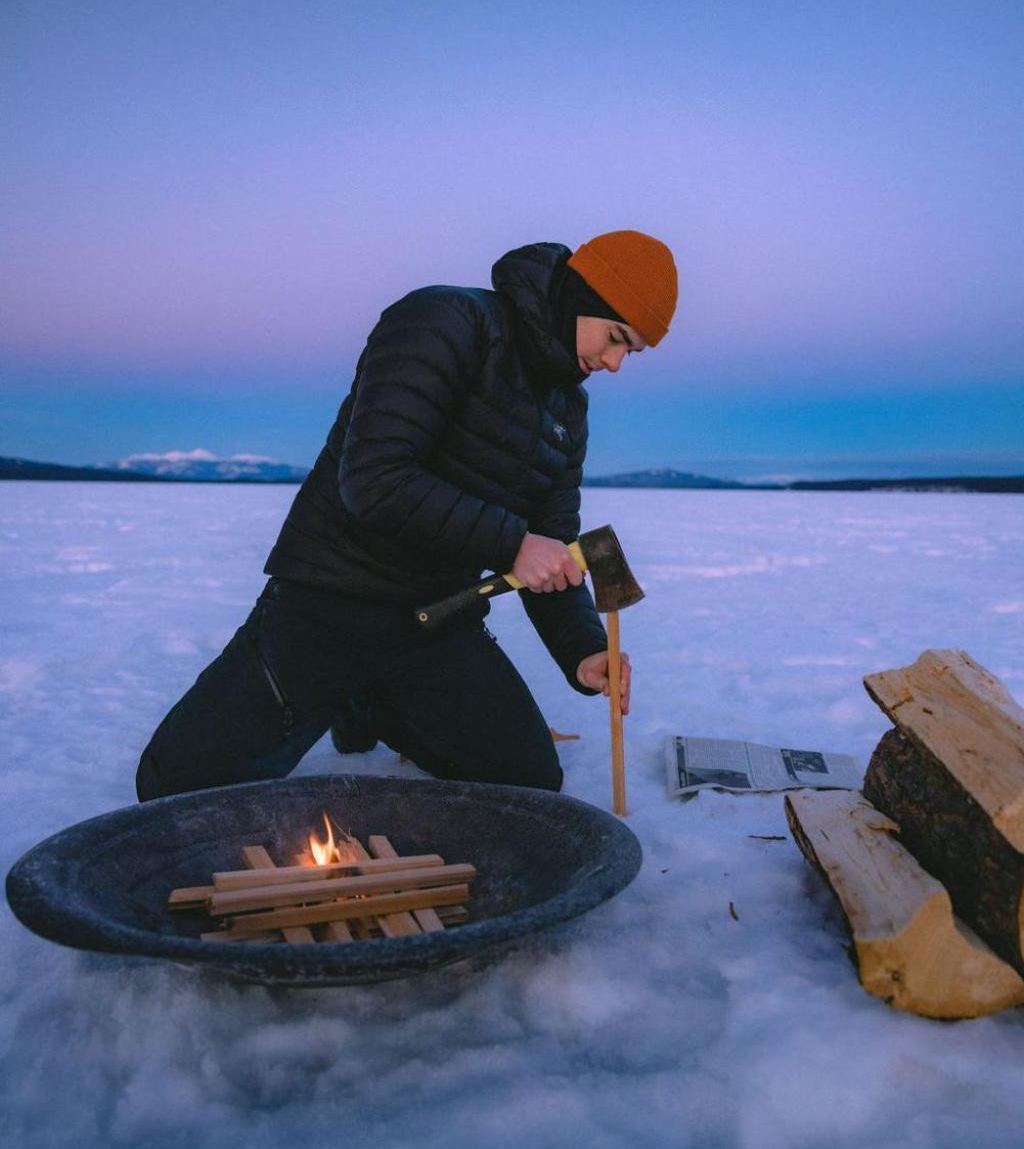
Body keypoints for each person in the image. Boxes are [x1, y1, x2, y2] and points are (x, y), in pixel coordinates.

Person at [135, 230, 678, 802]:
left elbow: (554, 545)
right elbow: (375, 478)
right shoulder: (445, 321)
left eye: (631, 353)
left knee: (527, 781)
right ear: (579, 296)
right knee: (177, 787)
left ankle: (375, 699)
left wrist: (584, 650)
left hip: (437, 619)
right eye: (616, 338)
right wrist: (514, 543)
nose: (615, 364)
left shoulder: (567, 406)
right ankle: (342, 689)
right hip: (329, 601)